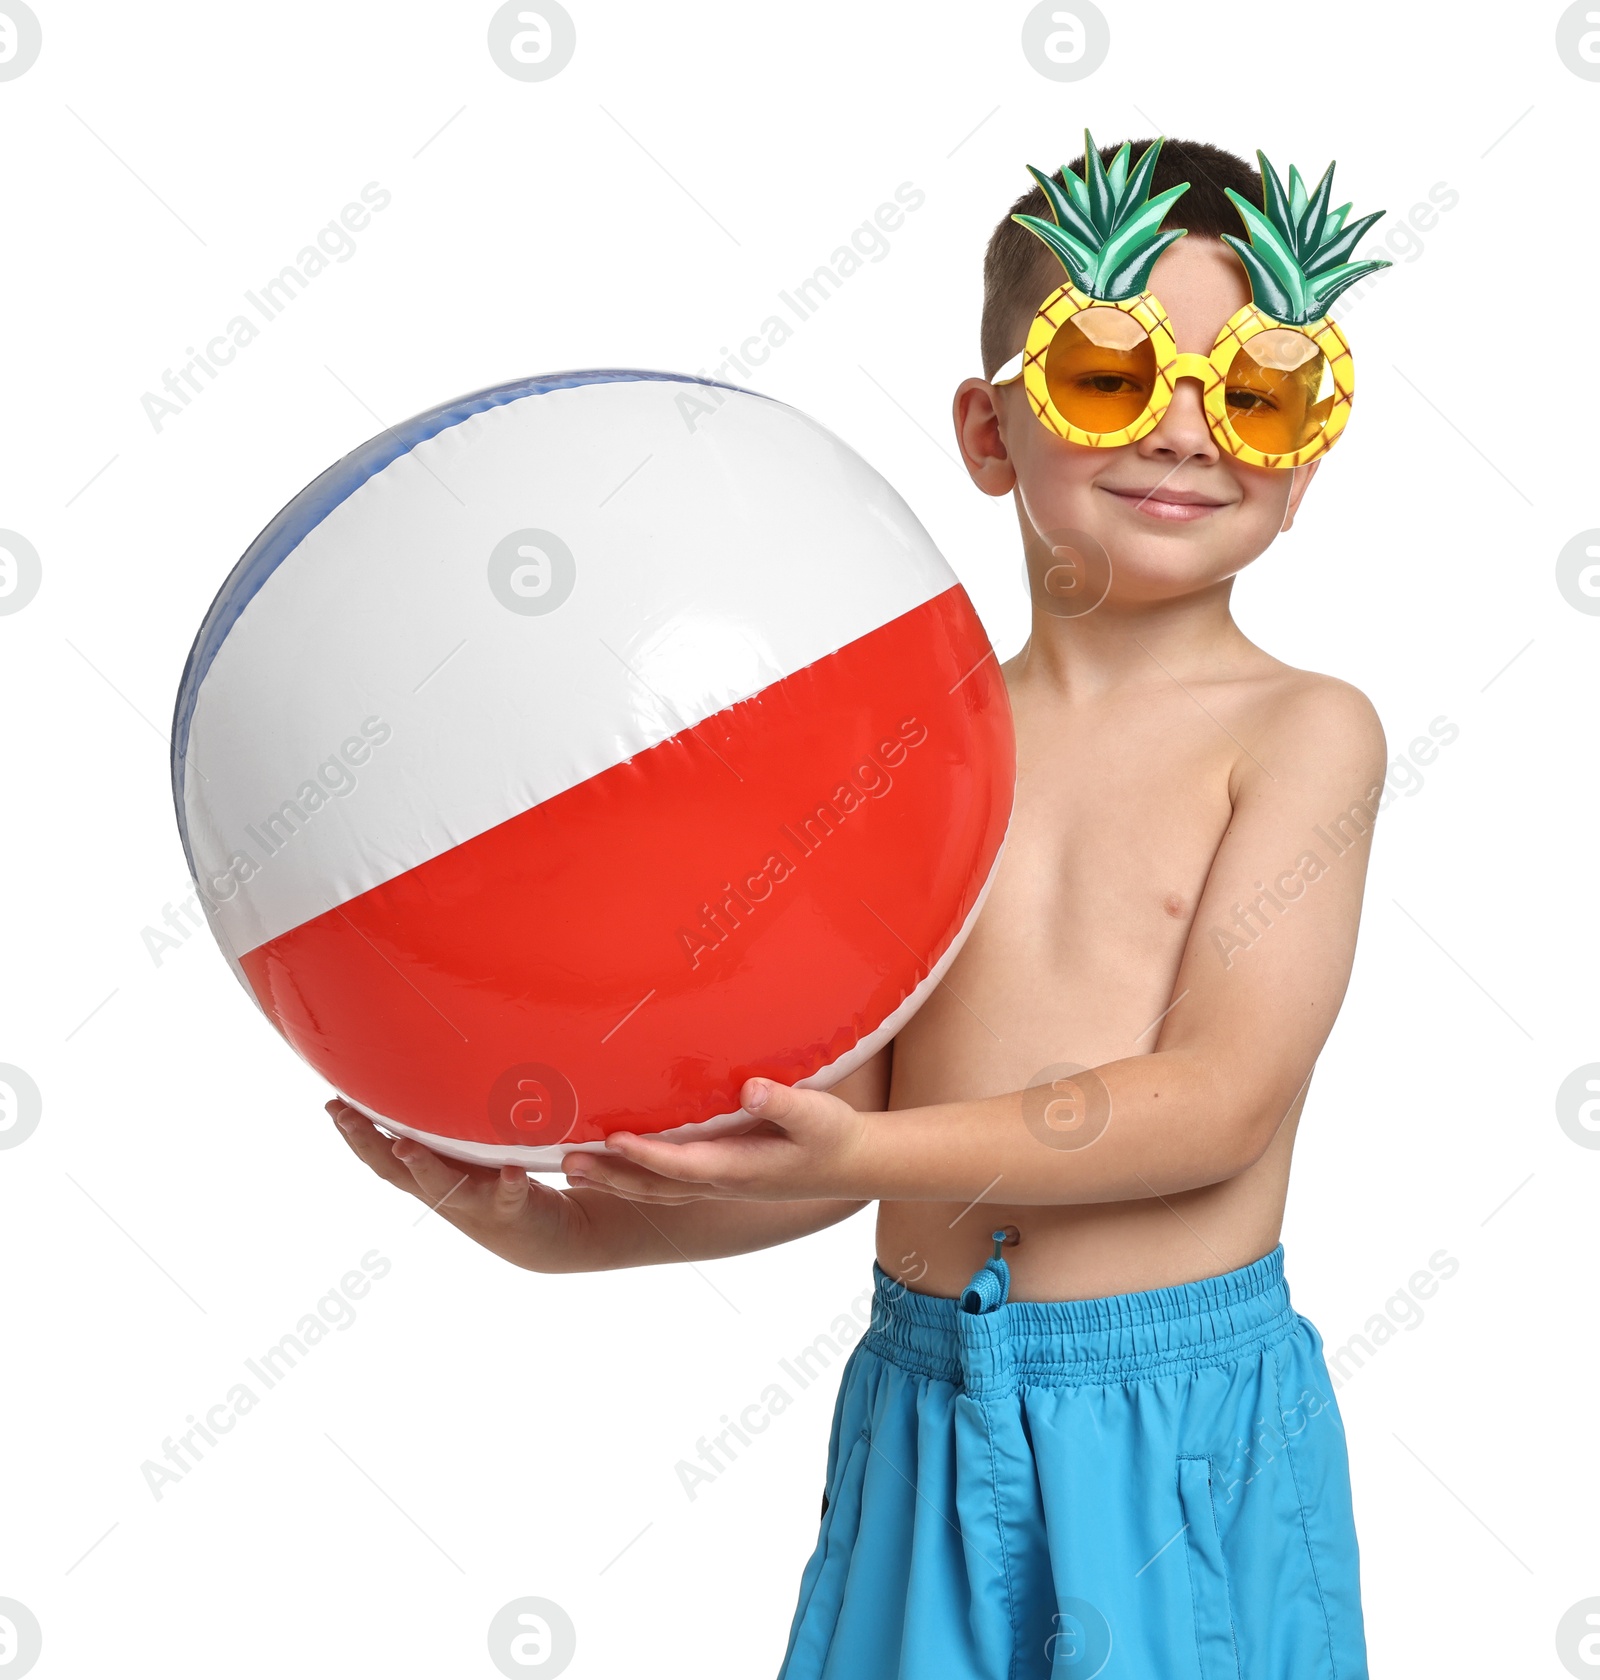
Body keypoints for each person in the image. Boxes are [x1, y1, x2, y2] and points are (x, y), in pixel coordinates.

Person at [330, 133, 1390, 1679]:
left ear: (1302, 465)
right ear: (986, 427)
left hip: (1175, 1432)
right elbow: (834, 1143)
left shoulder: (1302, 735)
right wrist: (576, 1233)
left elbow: (1218, 1103)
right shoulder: (915, 741)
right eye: (1110, 374)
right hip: (925, 1411)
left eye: (1257, 392)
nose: (1185, 433)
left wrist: (875, 1150)